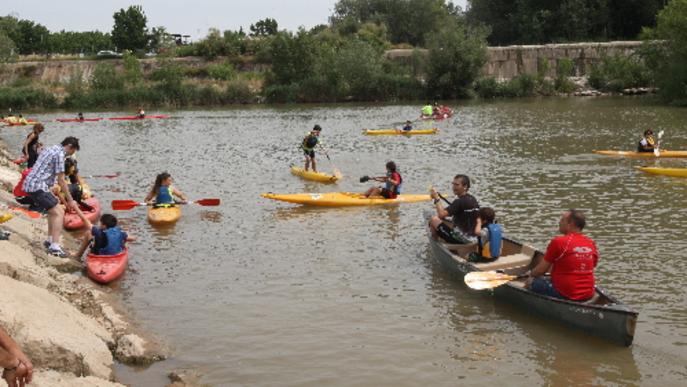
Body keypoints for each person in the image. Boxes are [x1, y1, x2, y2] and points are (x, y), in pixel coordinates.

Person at [22, 136, 84, 257]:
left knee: (52, 210)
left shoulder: (50, 149)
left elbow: (45, 170)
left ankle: (50, 240)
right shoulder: (60, 155)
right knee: (59, 212)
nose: (71, 155)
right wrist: (70, 200)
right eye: (72, 151)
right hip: (37, 186)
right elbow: (61, 180)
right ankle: (55, 247)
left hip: (31, 184)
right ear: (70, 147)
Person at [526, 209, 599, 301]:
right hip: (588, 293)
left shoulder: (559, 242)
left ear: (570, 224)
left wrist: (530, 274)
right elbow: (591, 265)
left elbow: (539, 271)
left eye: (562, 220)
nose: (559, 223)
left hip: (567, 293)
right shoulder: (591, 243)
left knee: (532, 282)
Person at [429, 174, 480, 244]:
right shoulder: (472, 199)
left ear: (465, 186)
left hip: (463, 239)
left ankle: (436, 244)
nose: (453, 187)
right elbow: (448, 211)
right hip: (474, 237)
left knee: (433, 220)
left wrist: (437, 198)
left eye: (457, 185)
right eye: (453, 184)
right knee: (445, 220)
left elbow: (441, 214)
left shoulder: (459, 201)